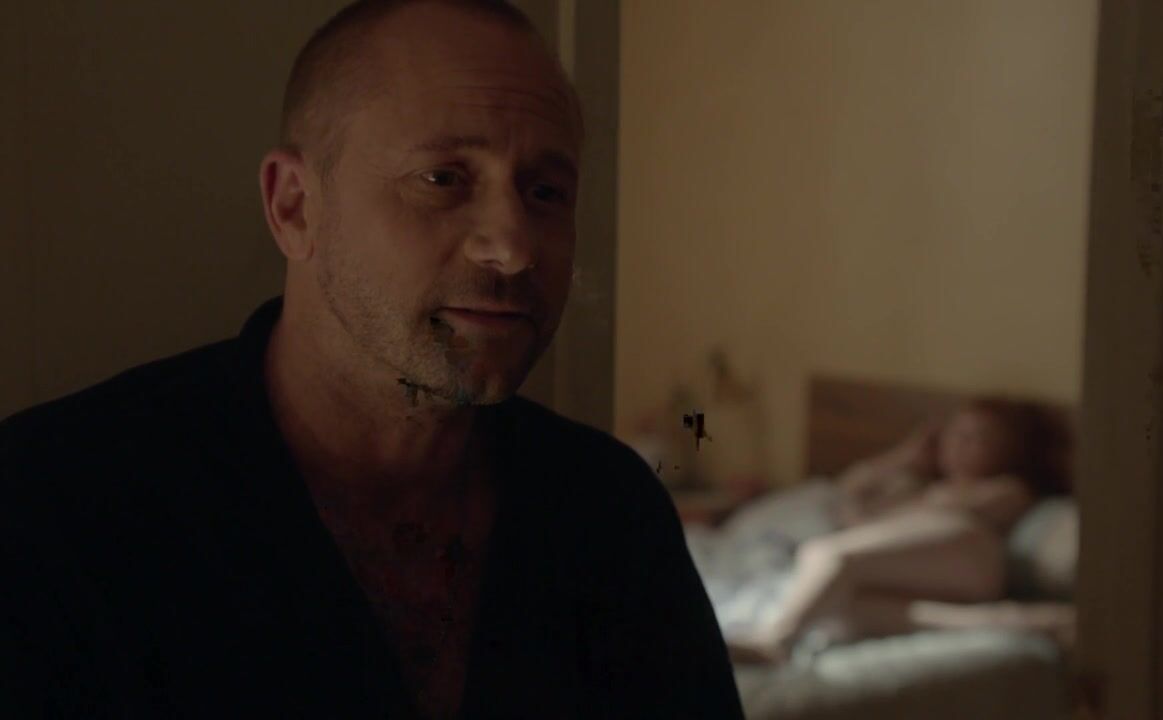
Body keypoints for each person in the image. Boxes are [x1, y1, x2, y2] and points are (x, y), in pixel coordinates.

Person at [0, 1, 744, 717]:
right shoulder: (54, 506)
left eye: (545, 192)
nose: (513, 247)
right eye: (443, 179)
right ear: (294, 206)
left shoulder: (611, 514)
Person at [728, 397, 1073, 664]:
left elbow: (883, 517)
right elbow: (847, 488)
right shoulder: (922, 486)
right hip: (932, 563)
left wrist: (867, 515)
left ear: (1008, 450)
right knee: (844, 608)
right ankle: (994, 621)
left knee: (826, 554)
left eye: (978, 438)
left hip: (968, 554)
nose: (958, 444)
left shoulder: (1007, 489)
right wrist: (903, 456)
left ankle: (775, 642)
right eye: (955, 433)